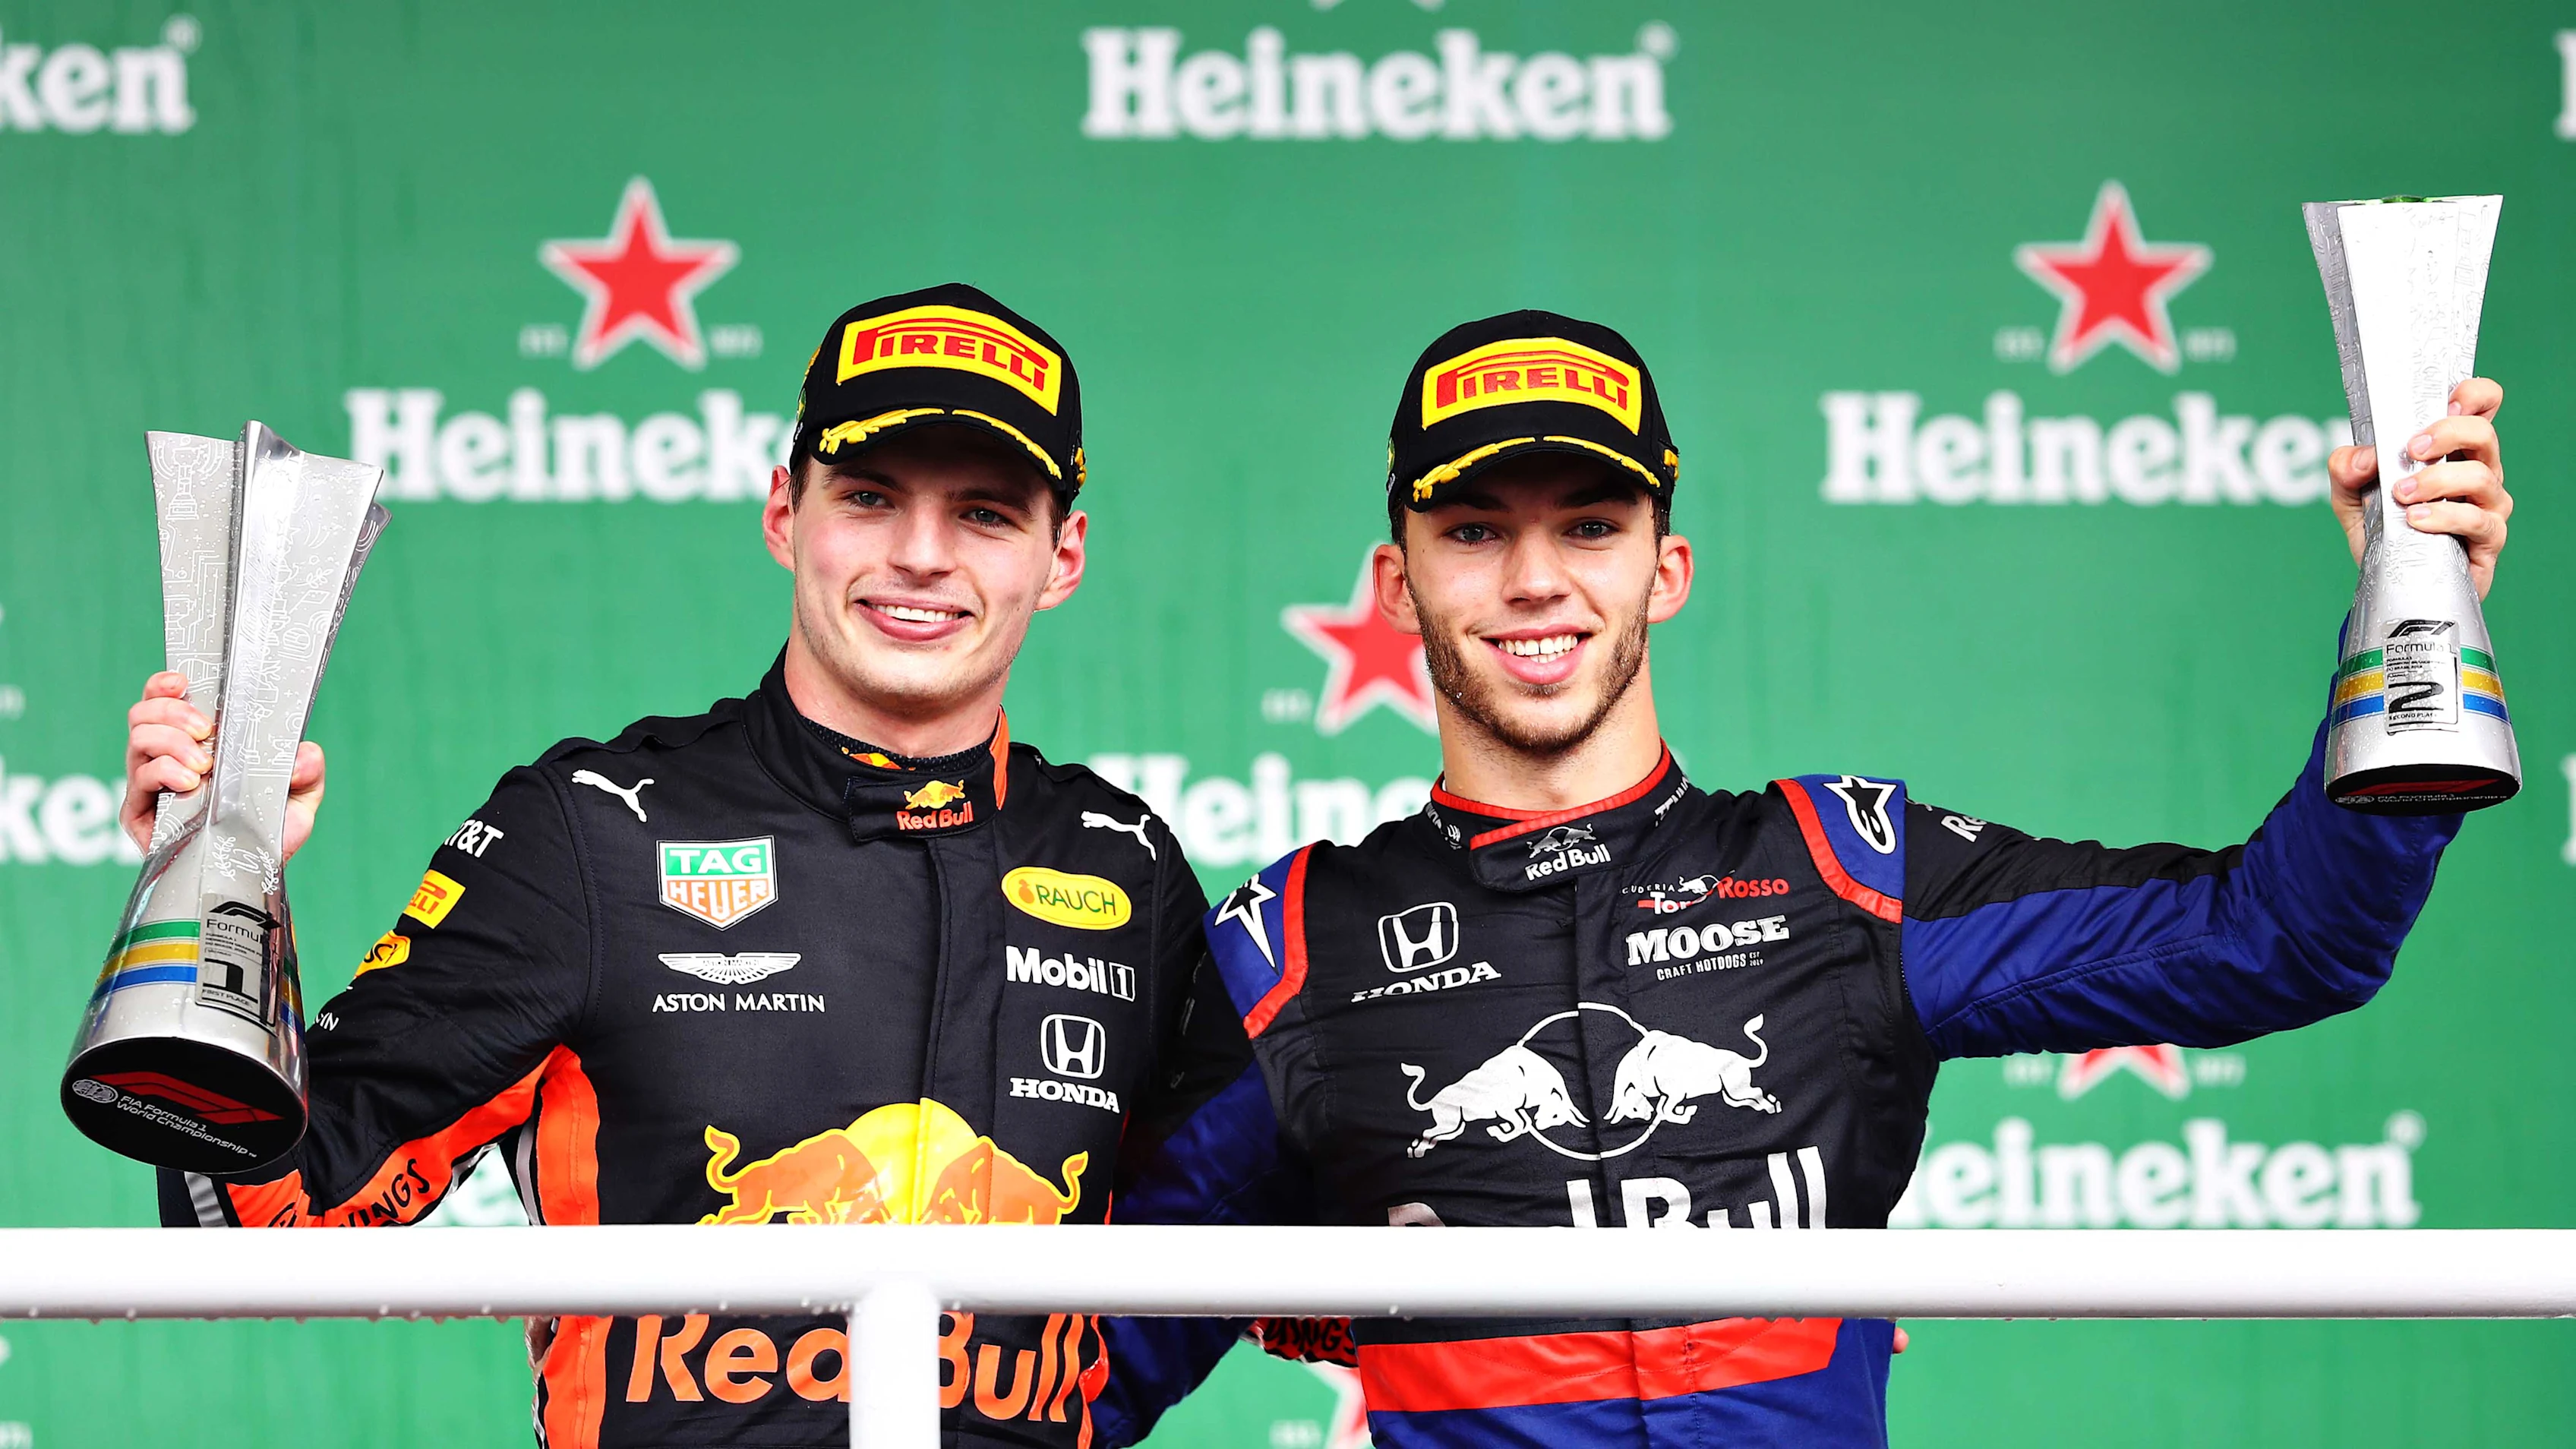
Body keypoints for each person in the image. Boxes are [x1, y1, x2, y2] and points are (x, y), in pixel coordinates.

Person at [1096, 310, 2513, 1447]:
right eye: (1474, 530)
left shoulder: (1840, 868)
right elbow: (1084, 1374)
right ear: (1399, 585)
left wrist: (2414, 608)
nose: (1535, 579)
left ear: (1668, 570)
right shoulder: (1294, 942)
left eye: (1590, 525)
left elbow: (2280, 938)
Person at [118, 283, 1212, 1449]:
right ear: (786, 514)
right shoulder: (592, 831)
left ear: (1063, 556)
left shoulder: (1125, 866)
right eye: (870, 498)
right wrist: (220, 878)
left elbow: (1266, 1239)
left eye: (986, 515)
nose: (920, 556)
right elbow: (265, 1218)